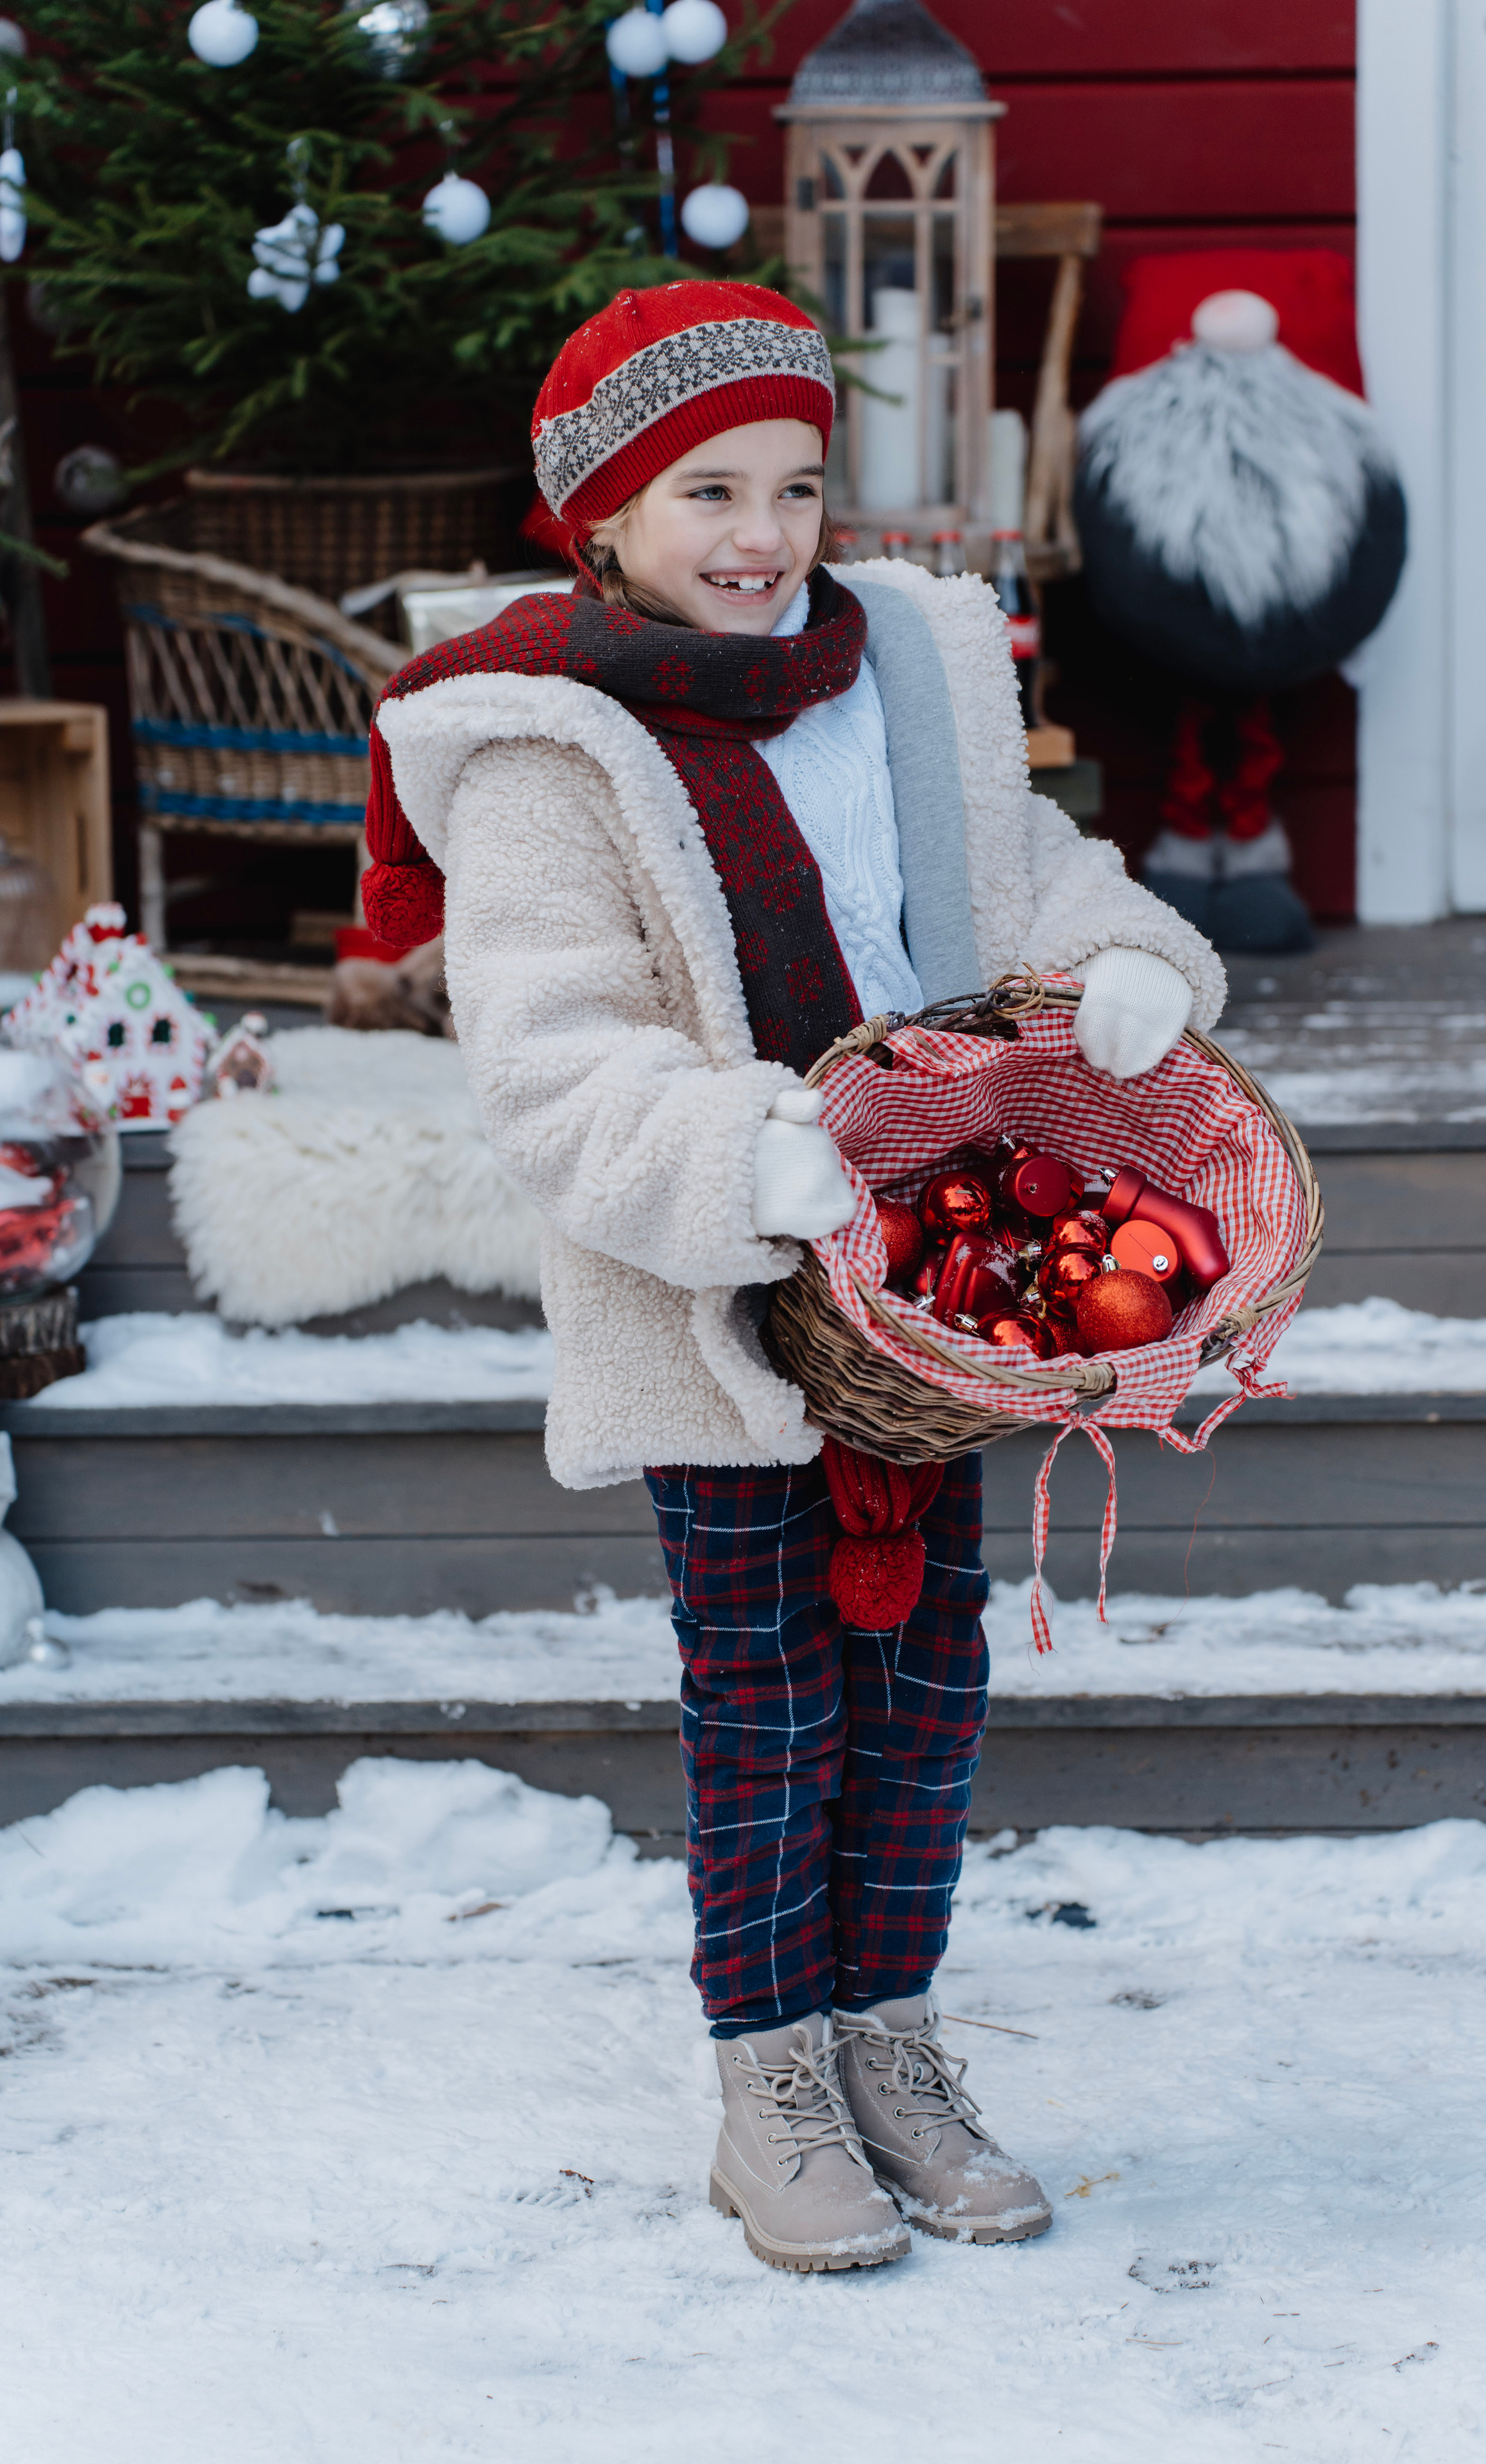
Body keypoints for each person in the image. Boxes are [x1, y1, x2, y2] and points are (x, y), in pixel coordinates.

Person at [363, 282, 1226, 2274]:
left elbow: (1014, 873)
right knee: (766, 1702)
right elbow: (550, 1047)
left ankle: (891, 2037)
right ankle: (773, 2073)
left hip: (935, 1293)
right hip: (731, 1302)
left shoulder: (902, 671)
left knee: (924, 1688)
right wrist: (734, 1153)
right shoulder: (540, 751)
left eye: (797, 484)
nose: (764, 534)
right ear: (600, 518)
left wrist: (1120, 965)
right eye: (708, 494)